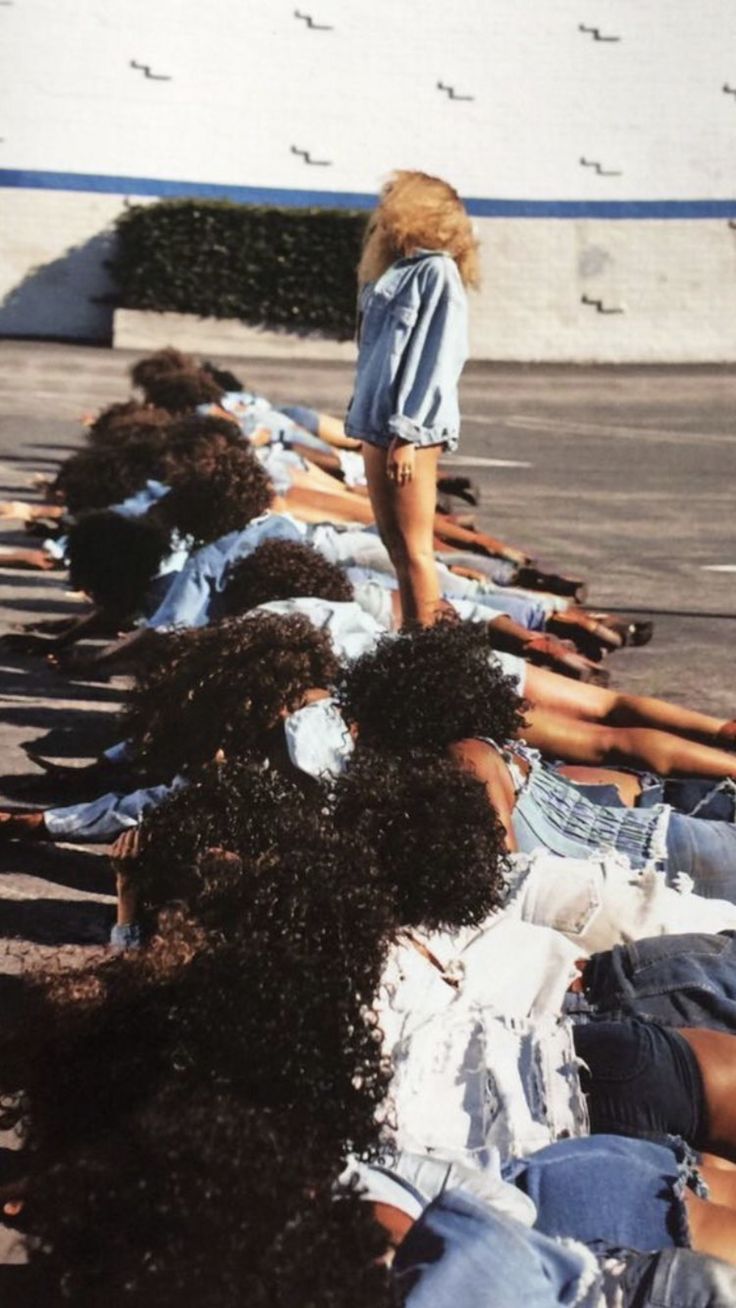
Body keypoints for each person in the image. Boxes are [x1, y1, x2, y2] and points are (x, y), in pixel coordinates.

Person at [345, 170, 478, 625]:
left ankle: (434, 653)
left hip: (407, 431)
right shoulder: (394, 273)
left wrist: (408, 432)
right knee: (397, 547)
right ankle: (416, 644)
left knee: (417, 550)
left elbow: (438, 360)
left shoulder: (437, 273)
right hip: (378, 426)